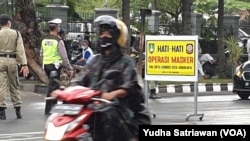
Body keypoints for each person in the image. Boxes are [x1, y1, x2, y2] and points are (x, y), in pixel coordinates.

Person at [52, 15, 151, 141]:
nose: (104, 36)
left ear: (117, 36)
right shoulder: (95, 61)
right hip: (95, 108)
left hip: (124, 112)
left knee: (109, 113)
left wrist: (111, 94)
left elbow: (131, 85)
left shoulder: (126, 62)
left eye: (108, 33)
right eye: (102, 33)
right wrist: (65, 92)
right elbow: (80, 80)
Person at [41, 18, 74, 115]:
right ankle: (49, 109)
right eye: (59, 26)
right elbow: (64, 57)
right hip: (54, 66)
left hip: (46, 66)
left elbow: (41, 53)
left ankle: (52, 108)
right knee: (53, 87)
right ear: (56, 28)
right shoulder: (58, 41)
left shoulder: (44, 39)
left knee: (53, 86)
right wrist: (69, 68)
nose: (59, 28)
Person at [0, 14, 29, 120]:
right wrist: (24, 64)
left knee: (1, 86)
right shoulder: (16, 33)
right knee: (14, 85)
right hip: (12, 61)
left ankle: (2, 111)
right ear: (8, 22)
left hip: (0, 60)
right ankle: (18, 110)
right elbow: (20, 50)